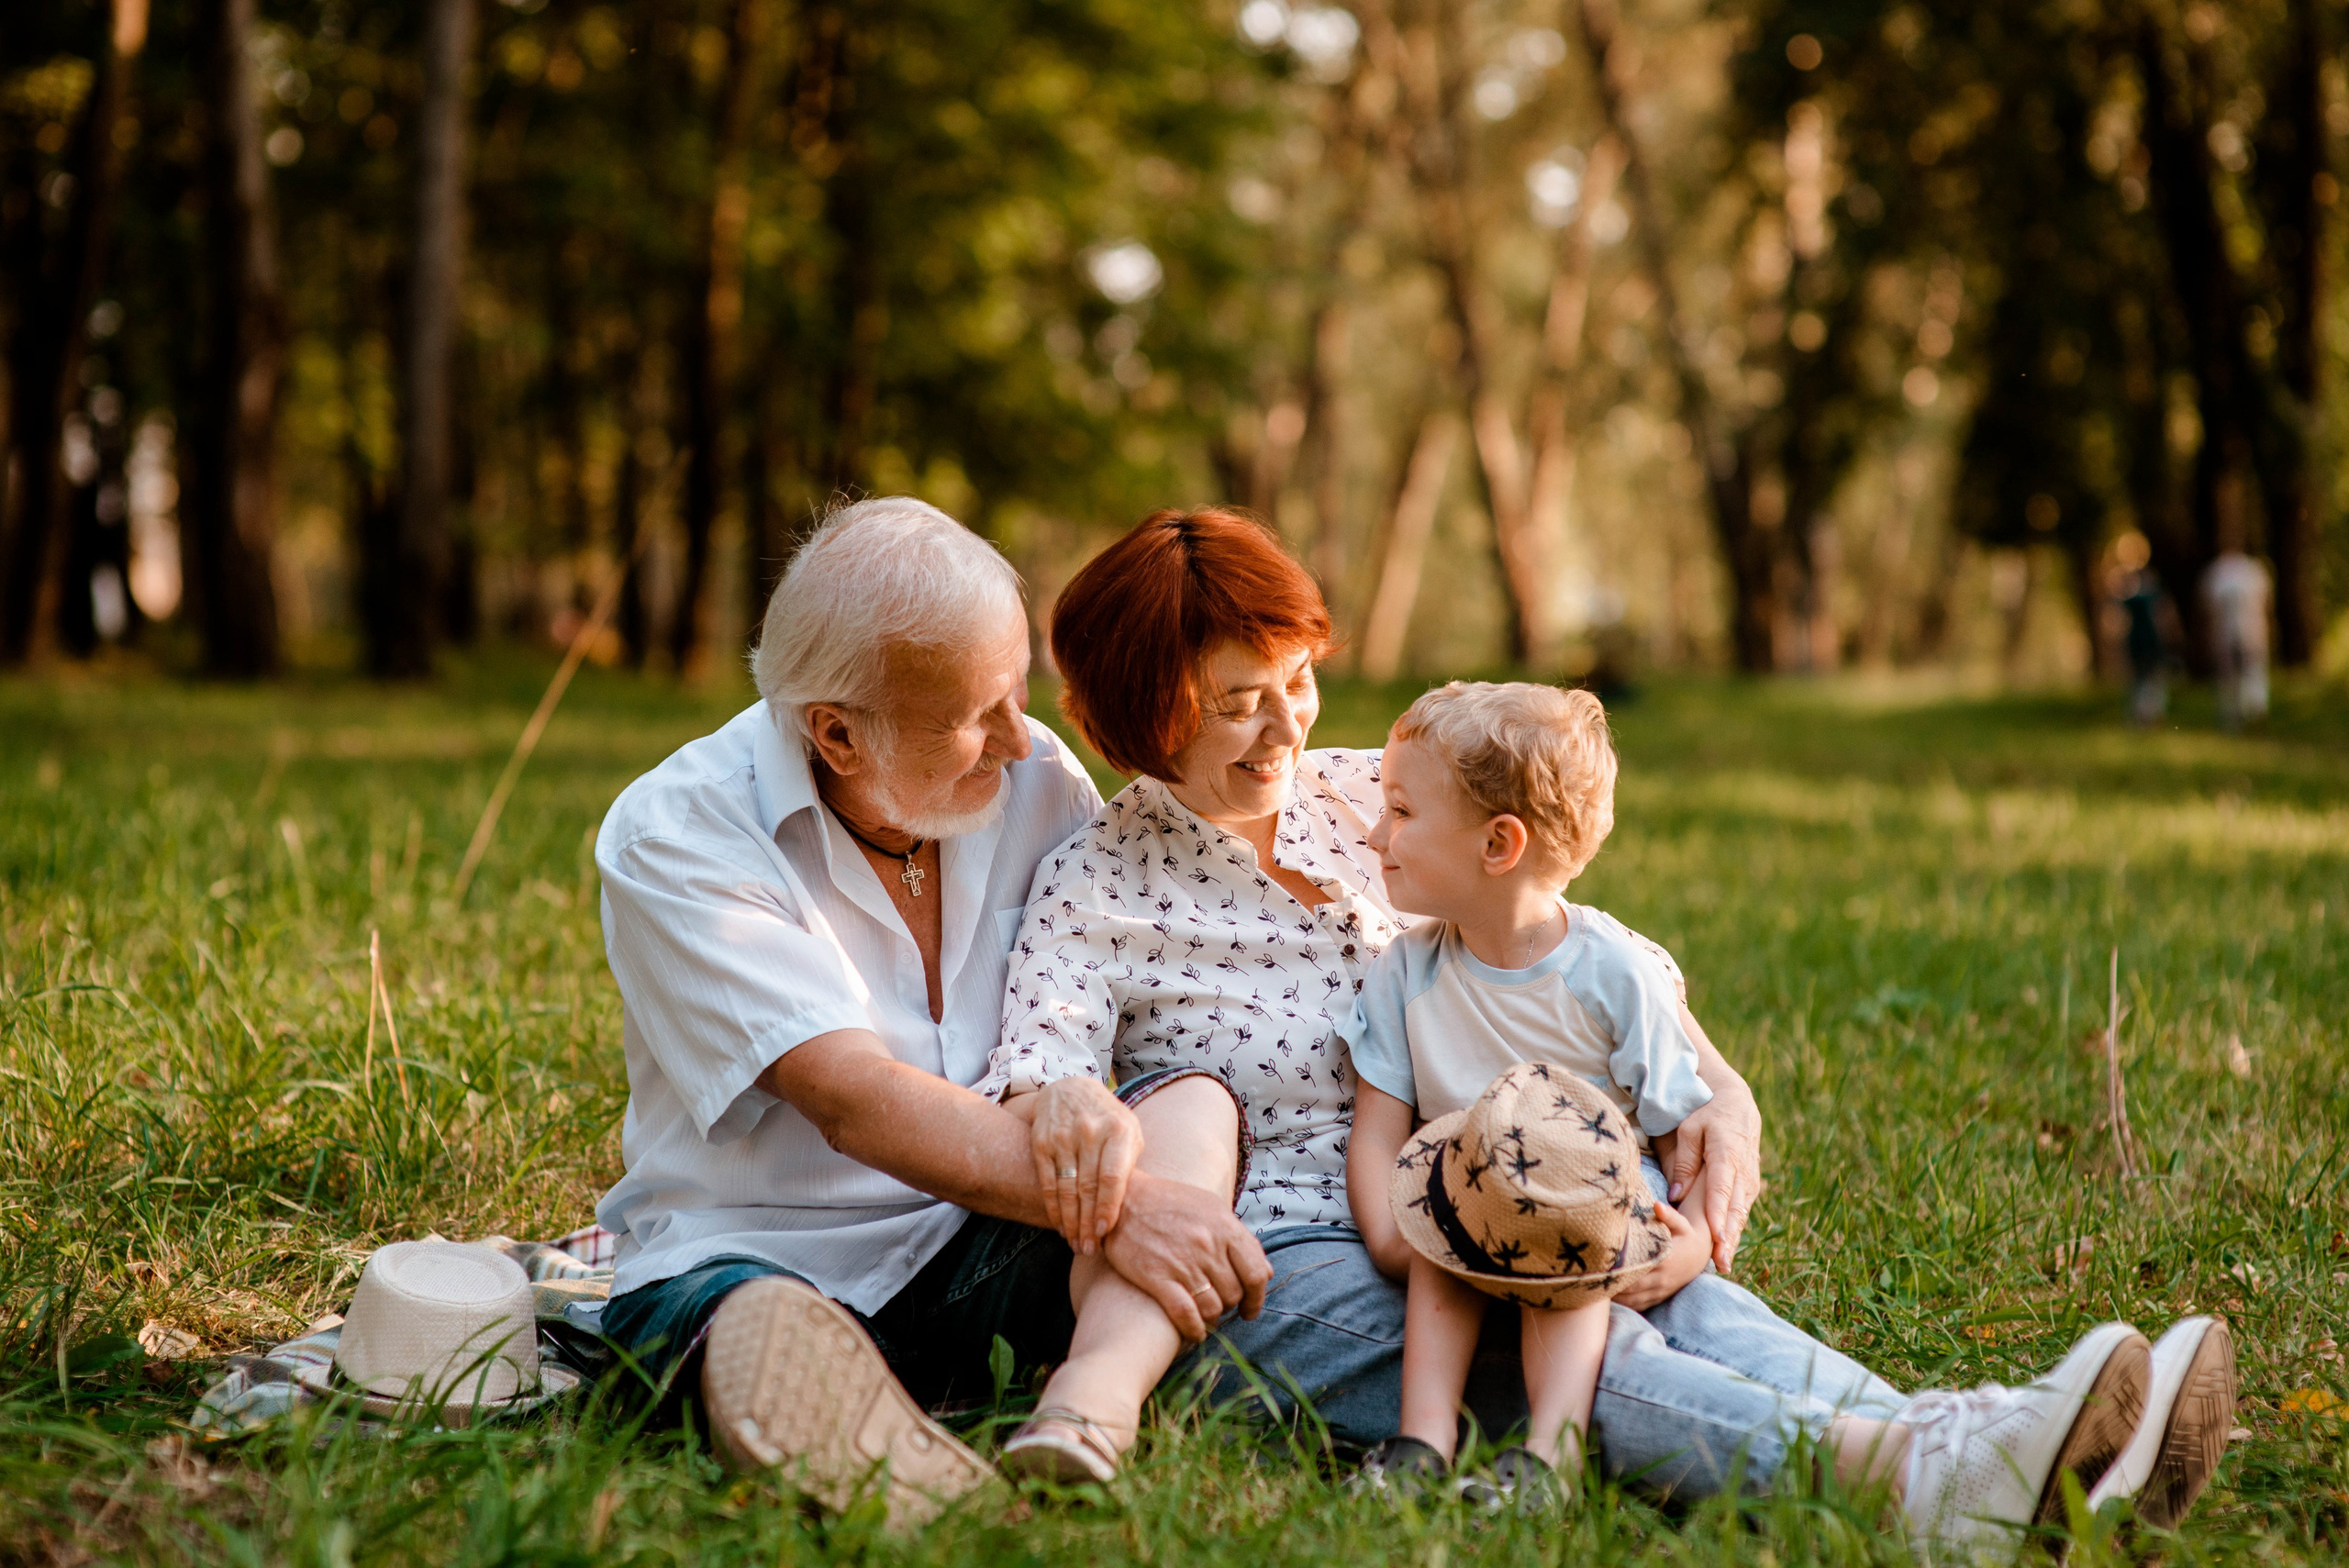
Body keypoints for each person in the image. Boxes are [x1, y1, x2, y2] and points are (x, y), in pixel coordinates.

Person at [984, 506, 2233, 1559]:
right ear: (1143, 719)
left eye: (1298, 679)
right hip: (1290, 1244)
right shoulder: (1097, 885)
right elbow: (1036, 1076)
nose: (1289, 726)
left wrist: (1715, 1097)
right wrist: (1081, 1116)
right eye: (1236, 705)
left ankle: (1986, 1441)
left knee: (1657, 1292)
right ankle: (1913, 1480)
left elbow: (1589, 941)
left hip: (1518, 1165)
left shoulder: (1372, 785)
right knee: (1574, 1348)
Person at [588, 497, 1271, 1527]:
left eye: (1015, 691)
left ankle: (1076, 1403)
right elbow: (851, 1098)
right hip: (764, 1254)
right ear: (836, 732)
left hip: (988, 1238)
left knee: (1186, 1096)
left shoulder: (1038, 775)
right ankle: (879, 1445)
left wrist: (1100, 1121)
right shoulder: (676, 836)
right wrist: (1125, 1207)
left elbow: (1102, 1008)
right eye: (972, 713)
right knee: (742, 1321)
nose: (1017, 735)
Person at [1341, 683, 1727, 1503]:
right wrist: (1387, 1234)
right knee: (1449, 1220)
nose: (1376, 834)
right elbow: (1378, 1129)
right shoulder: (1406, 972)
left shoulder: (1613, 974)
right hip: (1467, 1184)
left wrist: (1692, 1241)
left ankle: (1549, 1457)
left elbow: (1678, 1133)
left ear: (1497, 844)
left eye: (1402, 811)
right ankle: (1424, 1439)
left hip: (1590, 1193)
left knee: (1557, 1221)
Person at [2201, 550, 2272, 730]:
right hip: (2245, 632)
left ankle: (2241, 714)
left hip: (2236, 632)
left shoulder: (2220, 574)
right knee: (2246, 673)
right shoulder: (2253, 572)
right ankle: (2249, 712)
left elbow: (2210, 609)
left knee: (2237, 675)